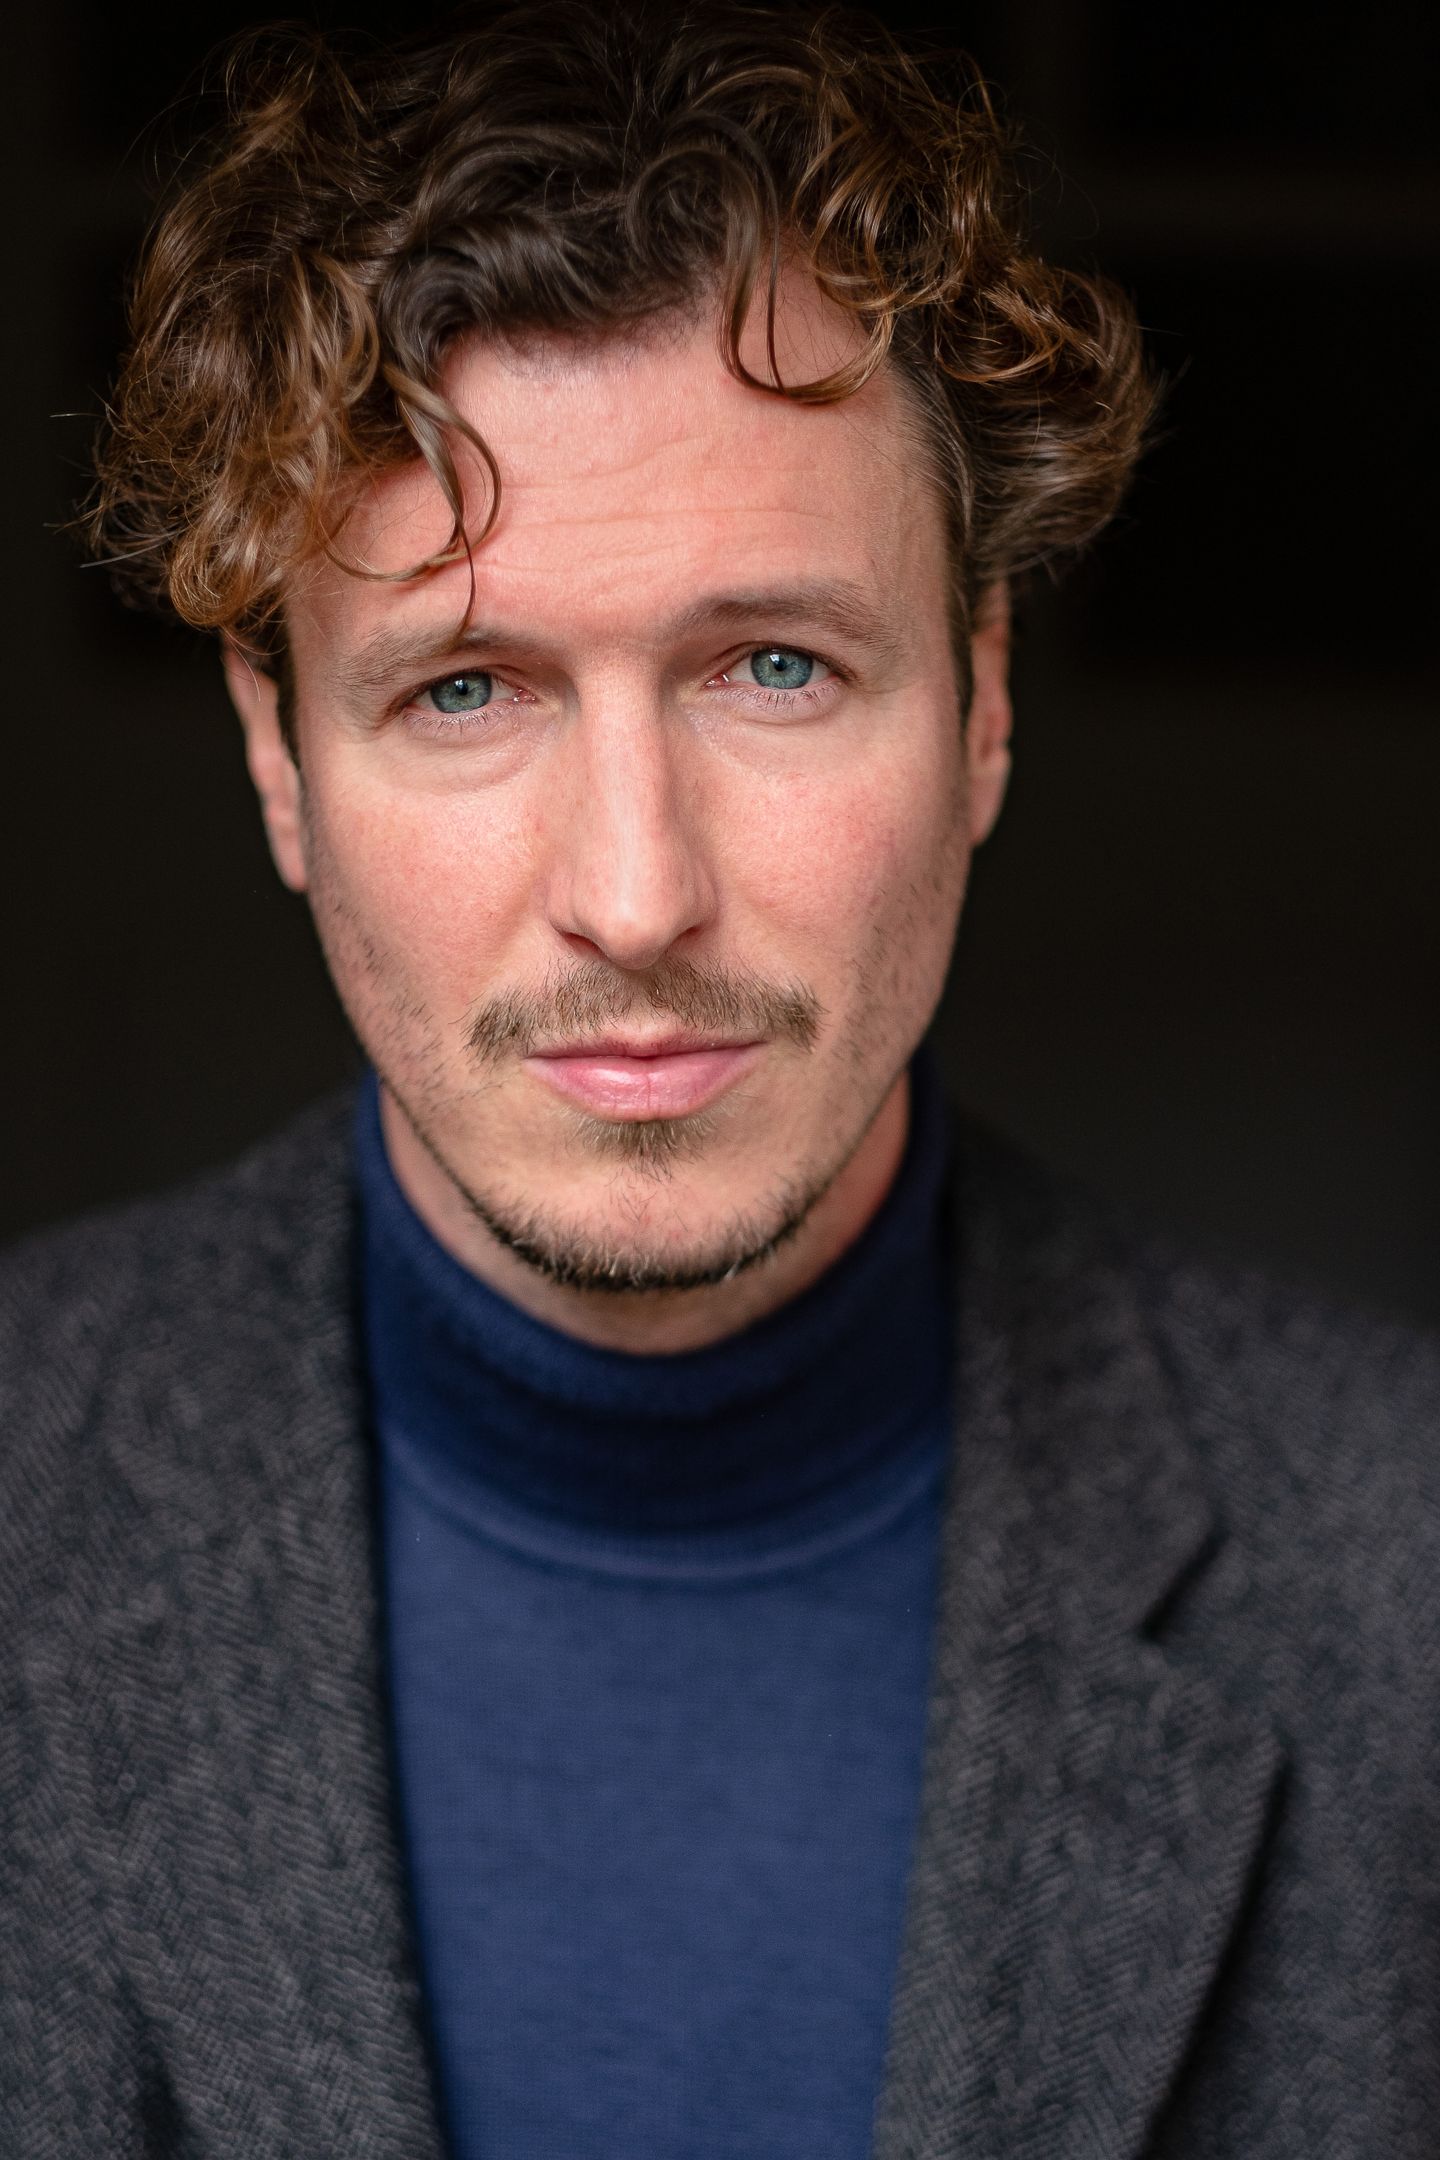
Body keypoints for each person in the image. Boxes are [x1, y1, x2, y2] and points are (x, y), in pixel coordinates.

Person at [3, 3, 1437, 2155]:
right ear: (278, 757)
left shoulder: (1405, 1574)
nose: (637, 894)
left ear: (981, 702)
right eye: (467, 688)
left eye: (774, 665)